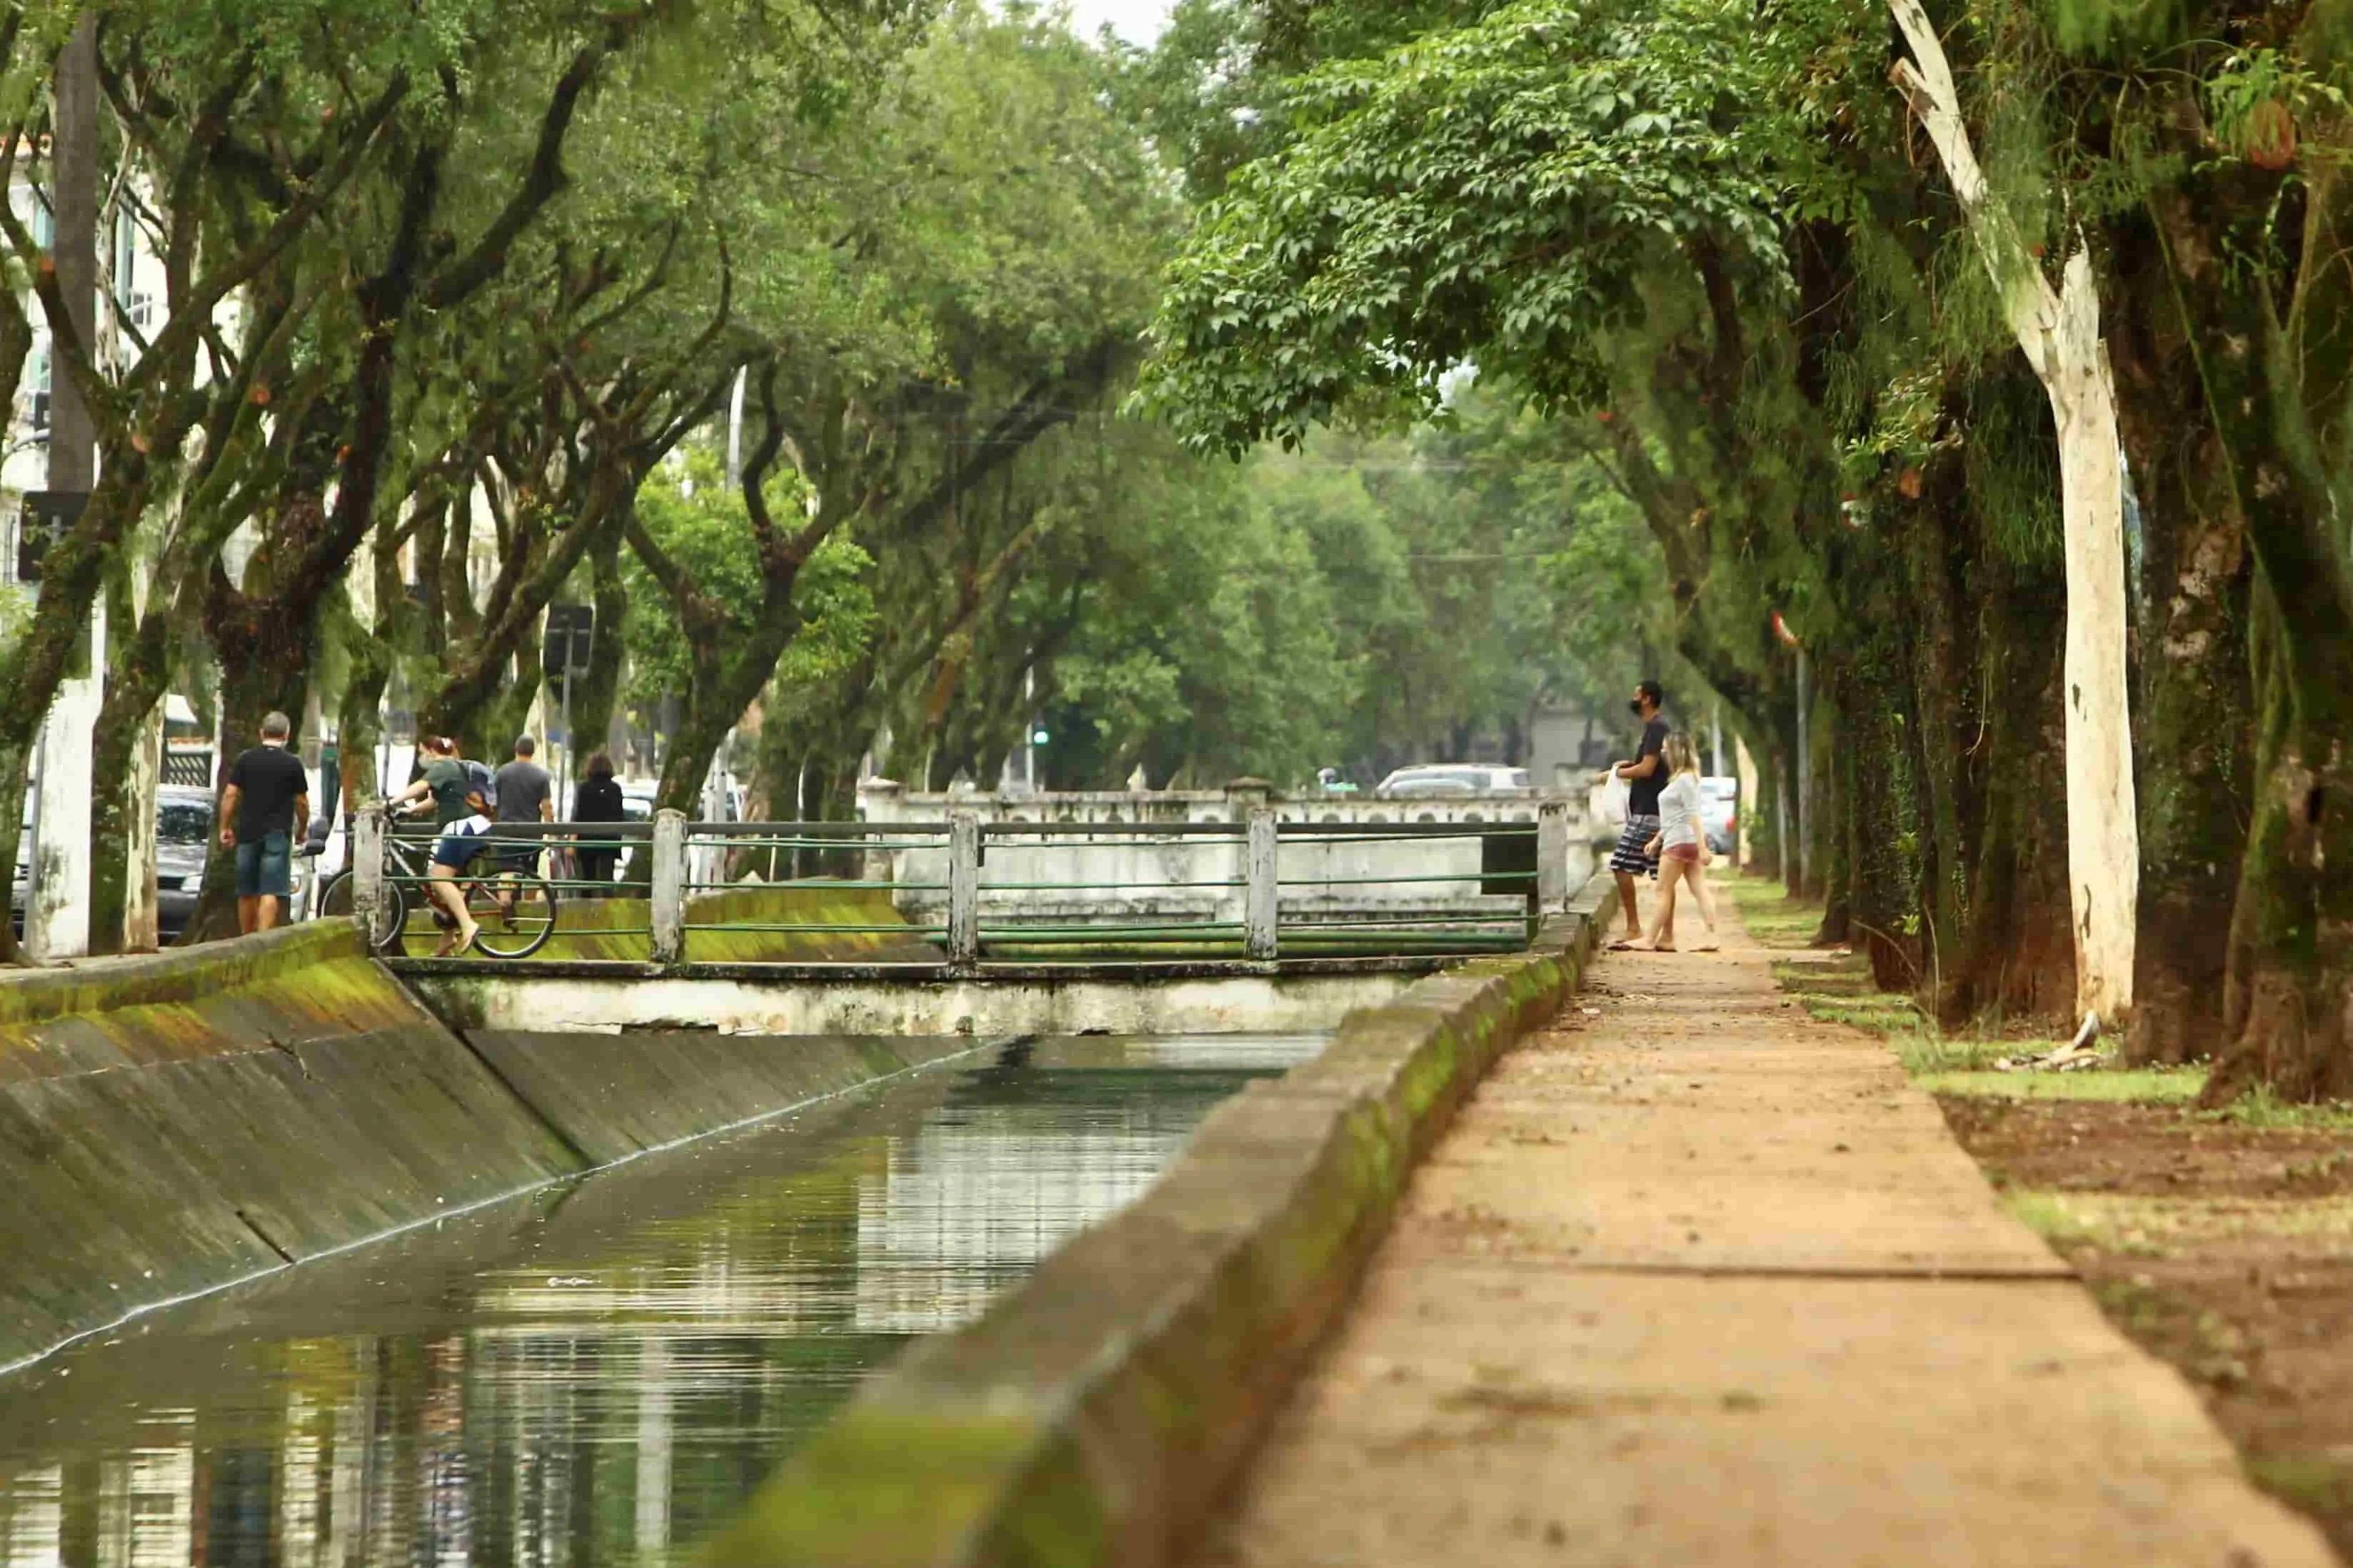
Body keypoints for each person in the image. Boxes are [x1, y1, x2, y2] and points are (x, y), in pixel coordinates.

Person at [386, 735, 494, 956]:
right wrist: (408, 810)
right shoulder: (453, 768)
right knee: (446, 886)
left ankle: (468, 926)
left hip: (461, 828)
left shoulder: (443, 765)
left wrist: (390, 802)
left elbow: (421, 786)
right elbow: (434, 801)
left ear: (430, 751)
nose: (420, 758)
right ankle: (447, 940)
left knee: (439, 879)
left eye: (421, 752)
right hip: (471, 827)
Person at [1622, 732, 1720, 953]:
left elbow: (1693, 814)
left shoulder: (1685, 780)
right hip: (1683, 840)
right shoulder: (1683, 779)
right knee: (1699, 889)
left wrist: (1703, 848)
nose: (1664, 753)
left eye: (1666, 749)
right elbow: (1673, 817)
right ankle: (1710, 937)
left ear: (1676, 751)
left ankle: (1649, 938)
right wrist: (1656, 840)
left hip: (1679, 843)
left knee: (1663, 891)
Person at [219, 711, 311, 934]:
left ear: (261, 733)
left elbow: (230, 795)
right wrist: (303, 830)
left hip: (248, 832)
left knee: (247, 890)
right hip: (278, 834)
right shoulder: (293, 764)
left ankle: (246, 938)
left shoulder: (246, 760)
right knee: (271, 890)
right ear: (287, 735)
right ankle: (262, 939)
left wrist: (225, 826)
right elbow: (302, 802)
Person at [1603, 680, 1670, 942]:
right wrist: (1616, 771)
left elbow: (1647, 769)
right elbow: (1646, 764)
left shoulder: (1656, 728)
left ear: (1647, 699)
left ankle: (1634, 927)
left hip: (1648, 812)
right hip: (1654, 810)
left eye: (1637, 694)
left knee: (1620, 865)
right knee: (1663, 876)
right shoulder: (1656, 728)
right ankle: (1667, 936)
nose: (1633, 698)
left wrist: (1618, 773)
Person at [493, 735, 554, 873]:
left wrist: (493, 827)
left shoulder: (502, 773)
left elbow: (493, 804)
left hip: (506, 832)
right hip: (531, 833)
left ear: (516, 749)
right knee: (530, 873)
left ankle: (505, 895)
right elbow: (546, 806)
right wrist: (551, 831)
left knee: (507, 873)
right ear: (533, 752)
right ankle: (528, 895)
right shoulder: (542, 776)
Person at [571, 753, 626, 894]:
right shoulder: (616, 789)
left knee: (588, 878)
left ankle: (587, 909)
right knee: (607, 878)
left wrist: (573, 841)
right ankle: (607, 907)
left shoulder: (584, 788)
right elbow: (619, 815)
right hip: (609, 840)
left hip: (587, 840)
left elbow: (578, 816)